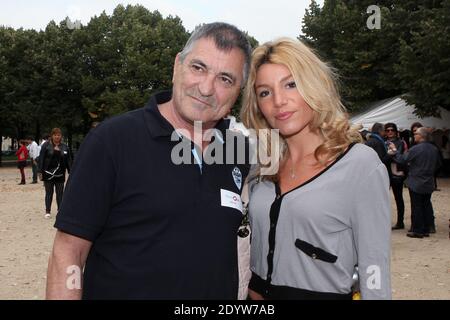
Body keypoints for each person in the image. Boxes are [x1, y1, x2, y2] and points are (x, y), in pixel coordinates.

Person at [46, 22, 252, 299]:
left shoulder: (239, 150)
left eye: (225, 79)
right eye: (198, 68)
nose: (206, 88)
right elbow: (68, 252)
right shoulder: (112, 141)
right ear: (177, 66)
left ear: (239, 90)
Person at [240, 38, 391, 300]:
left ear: (314, 86)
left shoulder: (360, 165)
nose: (279, 101)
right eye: (265, 92)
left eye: (291, 84)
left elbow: (375, 266)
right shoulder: (261, 166)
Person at [388, 127, 442, 238]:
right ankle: (427, 228)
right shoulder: (434, 149)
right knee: (426, 204)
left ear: (421, 136)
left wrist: (395, 151)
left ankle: (418, 230)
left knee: (417, 206)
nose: (414, 135)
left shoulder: (416, 149)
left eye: (416, 133)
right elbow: (439, 164)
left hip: (416, 180)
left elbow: (402, 160)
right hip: (428, 180)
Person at [38, 128, 72, 219]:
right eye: (55, 135)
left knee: (60, 193)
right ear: (52, 135)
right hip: (48, 173)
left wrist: (71, 172)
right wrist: (40, 171)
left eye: (59, 135)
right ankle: (48, 211)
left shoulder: (65, 147)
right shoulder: (46, 145)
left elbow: (68, 160)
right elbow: (41, 158)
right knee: (49, 192)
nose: (57, 136)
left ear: (61, 136)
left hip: (60, 173)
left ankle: (60, 211)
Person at [384, 123, 408, 230]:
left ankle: (400, 222)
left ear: (395, 131)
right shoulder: (383, 142)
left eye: (391, 130)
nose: (389, 132)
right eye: (387, 130)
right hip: (385, 173)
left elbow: (401, 158)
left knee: (399, 199)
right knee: (383, 199)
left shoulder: (401, 142)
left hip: (396, 174)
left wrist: (392, 153)